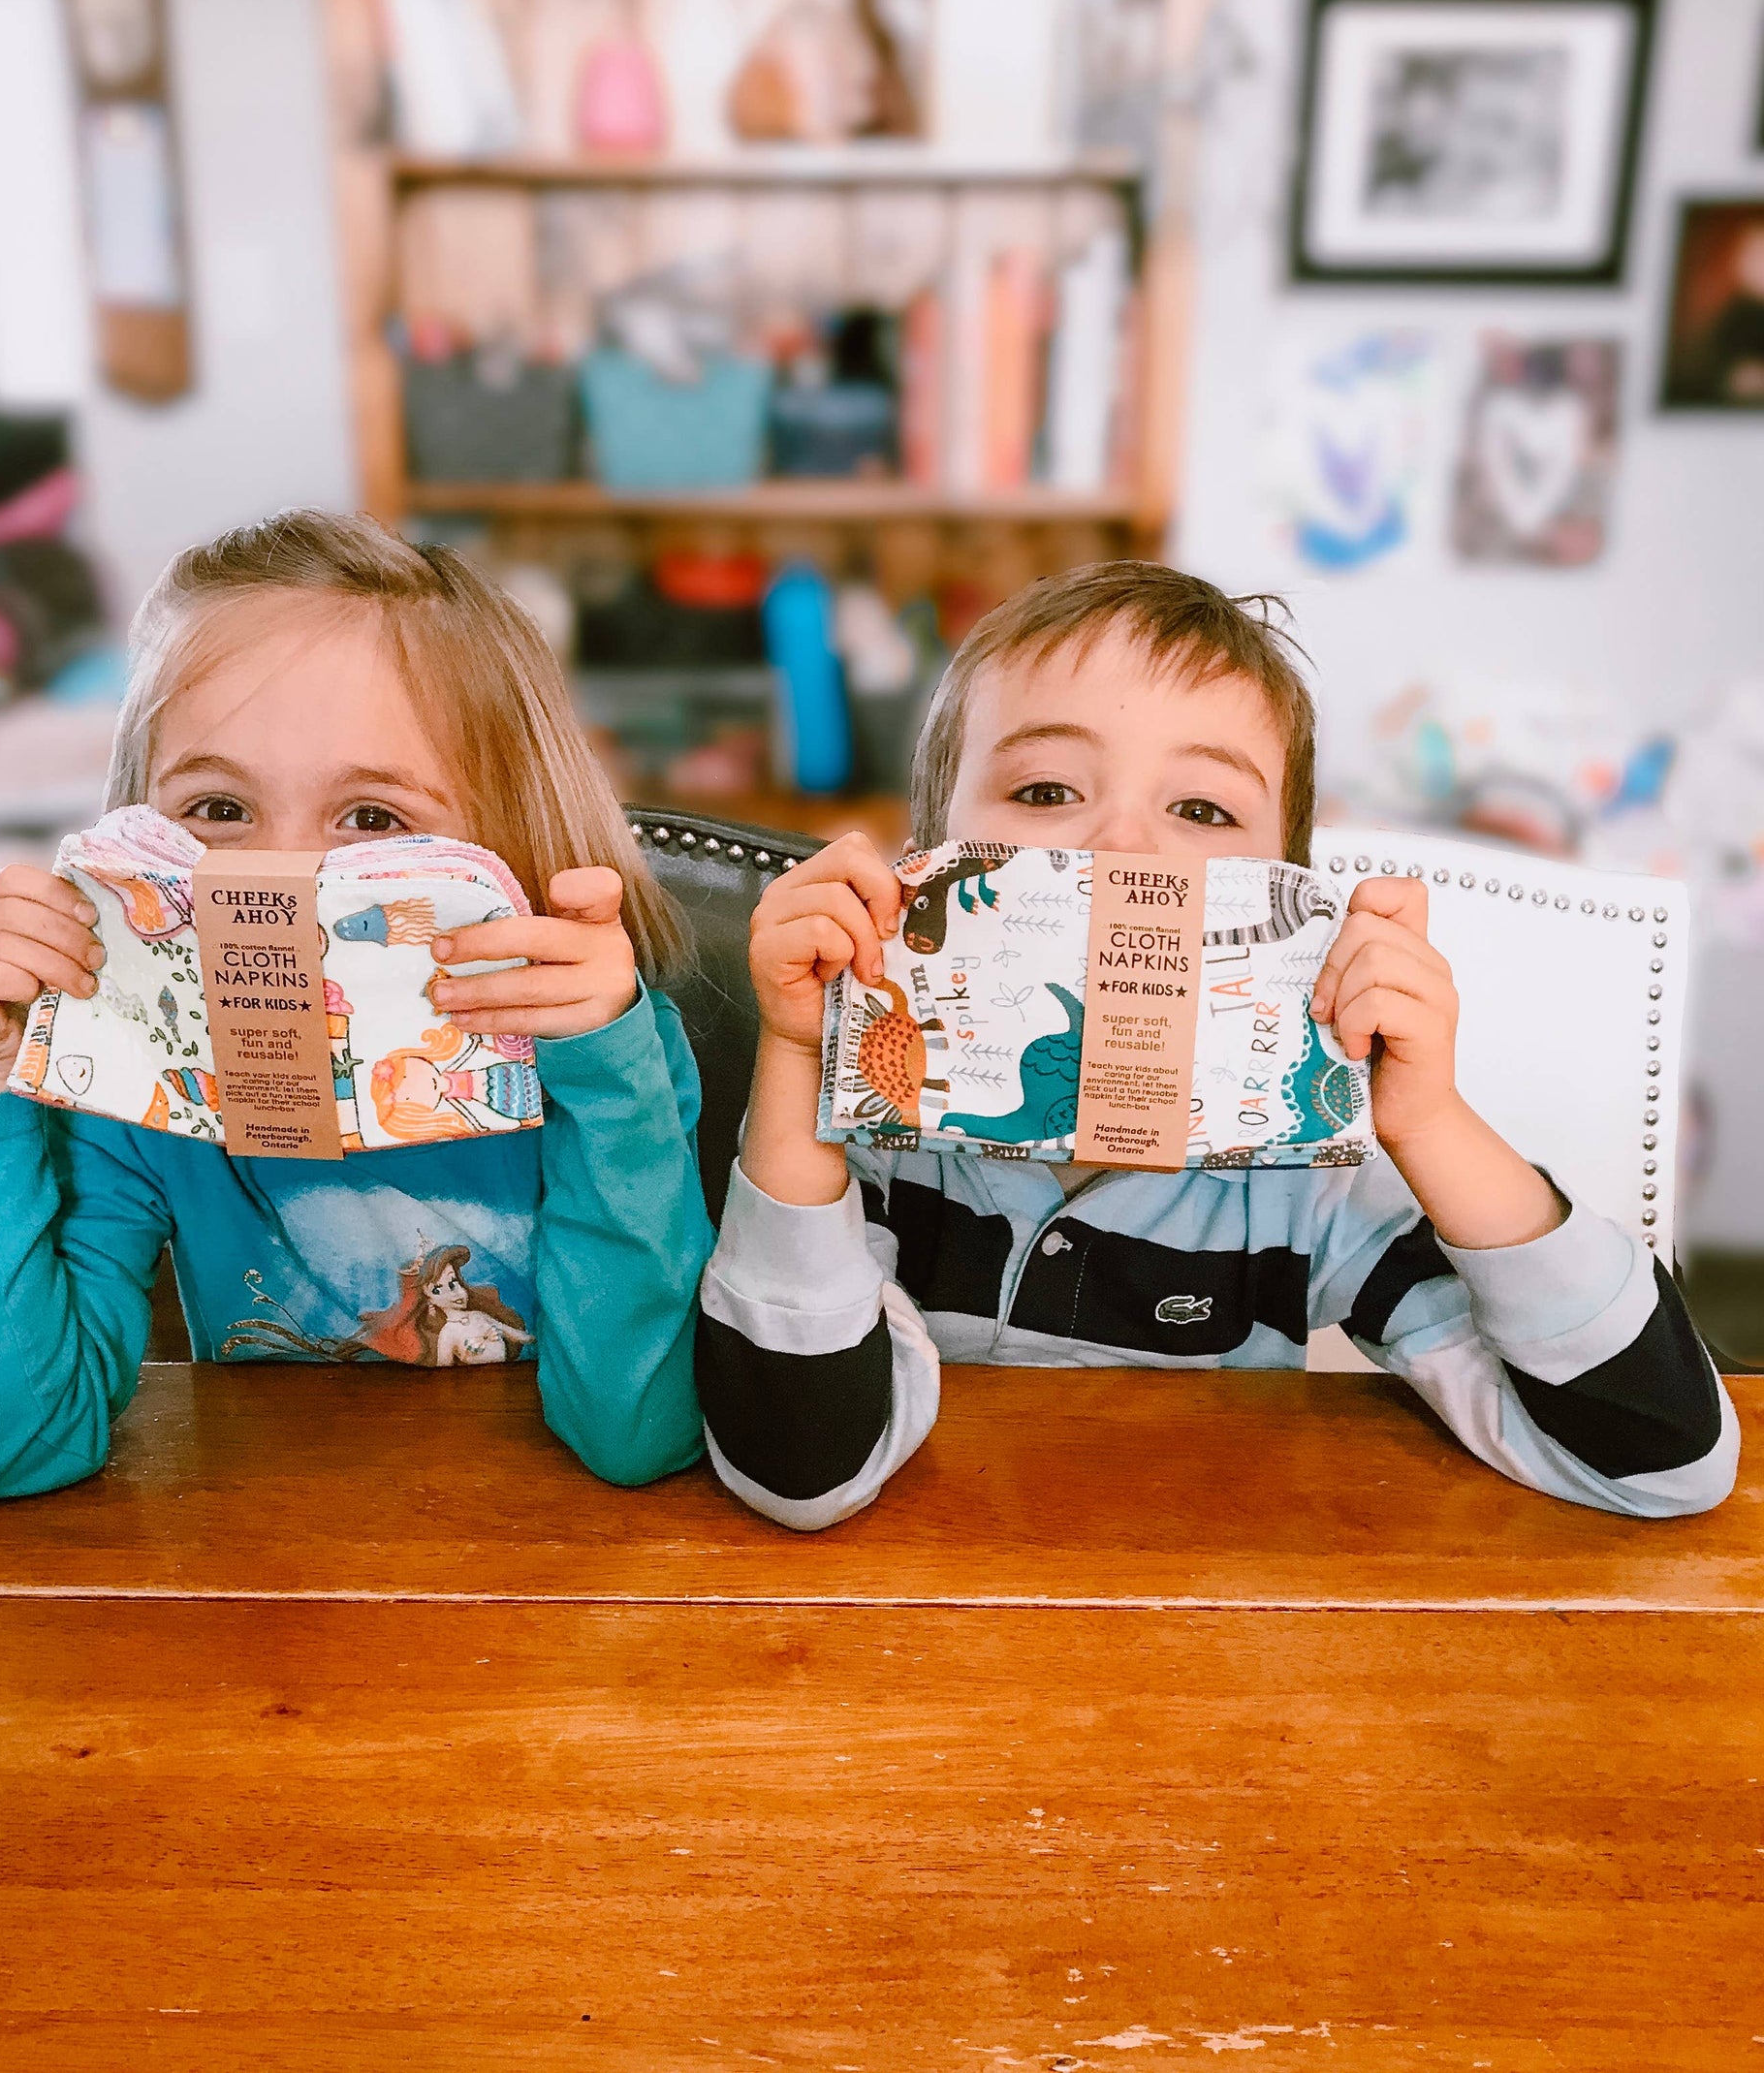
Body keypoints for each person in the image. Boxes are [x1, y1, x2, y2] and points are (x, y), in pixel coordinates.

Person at [697, 561, 1737, 1529]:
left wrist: (1430, 1124)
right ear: (925, 864)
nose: (1123, 845)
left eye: (1201, 807)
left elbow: (1665, 1461)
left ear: (1283, 898)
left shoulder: (1308, 1187)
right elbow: (798, 1472)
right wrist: (799, 1059)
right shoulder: (866, 1144)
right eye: (1045, 791)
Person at [0, 511, 709, 1500]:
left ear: (511, 841)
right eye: (219, 810)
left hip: (548, 1555)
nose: (282, 878)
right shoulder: (138, 1084)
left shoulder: (612, 1059)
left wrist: (606, 1072)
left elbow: (636, 1433)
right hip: (261, 1549)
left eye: (372, 817)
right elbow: (7, 1447)